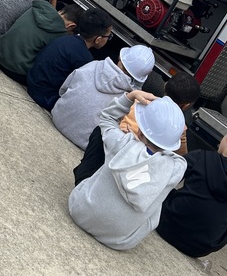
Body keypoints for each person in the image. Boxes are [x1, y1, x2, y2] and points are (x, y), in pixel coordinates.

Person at [68, 90, 186, 251]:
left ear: (139, 130)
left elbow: (107, 118)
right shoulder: (176, 169)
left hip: (79, 212)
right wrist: (175, 136)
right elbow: (181, 157)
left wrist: (130, 96)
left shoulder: (121, 143)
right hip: (120, 240)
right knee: (156, 205)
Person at [156, 115, 227, 258]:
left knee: (167, 192)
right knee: (225, 227)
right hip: (199, 248)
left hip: (165, 226)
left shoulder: (201, 157)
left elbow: (165, 177)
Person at [73, 70, 201, 186]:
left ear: (165, 85)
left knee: (99, 132)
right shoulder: (180, 129)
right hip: (135, 176)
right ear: (186, 105)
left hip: (109, 157)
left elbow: (109, 119)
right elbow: (181, 158)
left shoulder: (140, 102)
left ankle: (85, 173)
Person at [50, 44, 155, 147]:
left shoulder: (94, 65)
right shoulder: (127, 99)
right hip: (85, 142)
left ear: (120, 57)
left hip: (57, 117)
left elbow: (64, 89)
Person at [26, 7, 114, 110]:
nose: (108, 39)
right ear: (98, 39)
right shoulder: (85, 59)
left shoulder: (65, 38)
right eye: (109, 36)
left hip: (32, 83)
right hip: (45, 97)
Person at [0, 1, 80, 83]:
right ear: (72, 26)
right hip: (15, 69)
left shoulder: (38, 8)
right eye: (71, 33)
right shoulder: (59, 33)